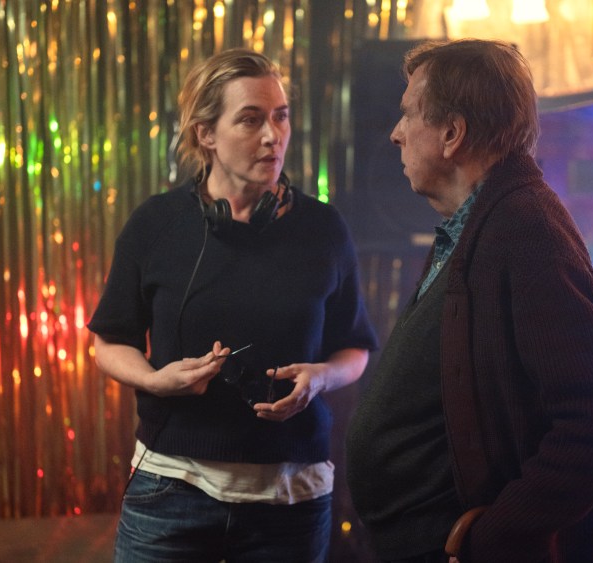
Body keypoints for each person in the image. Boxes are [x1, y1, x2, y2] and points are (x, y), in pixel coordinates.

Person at [345, 39, 593, 563]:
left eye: (409, 115)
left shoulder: (525, 230)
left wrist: (497, 536)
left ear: (453, 133)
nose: (395, 133)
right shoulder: (476, 224)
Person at [88, 48, 377, 563]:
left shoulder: (324, 229)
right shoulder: (155, 224)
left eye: (280, 116)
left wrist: (322, 377)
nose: (273, 135)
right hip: (170, 489)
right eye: (250, 119)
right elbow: (108, 343)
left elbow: (354, 348)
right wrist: (155, 380)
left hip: (290, 499)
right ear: (206, 133)